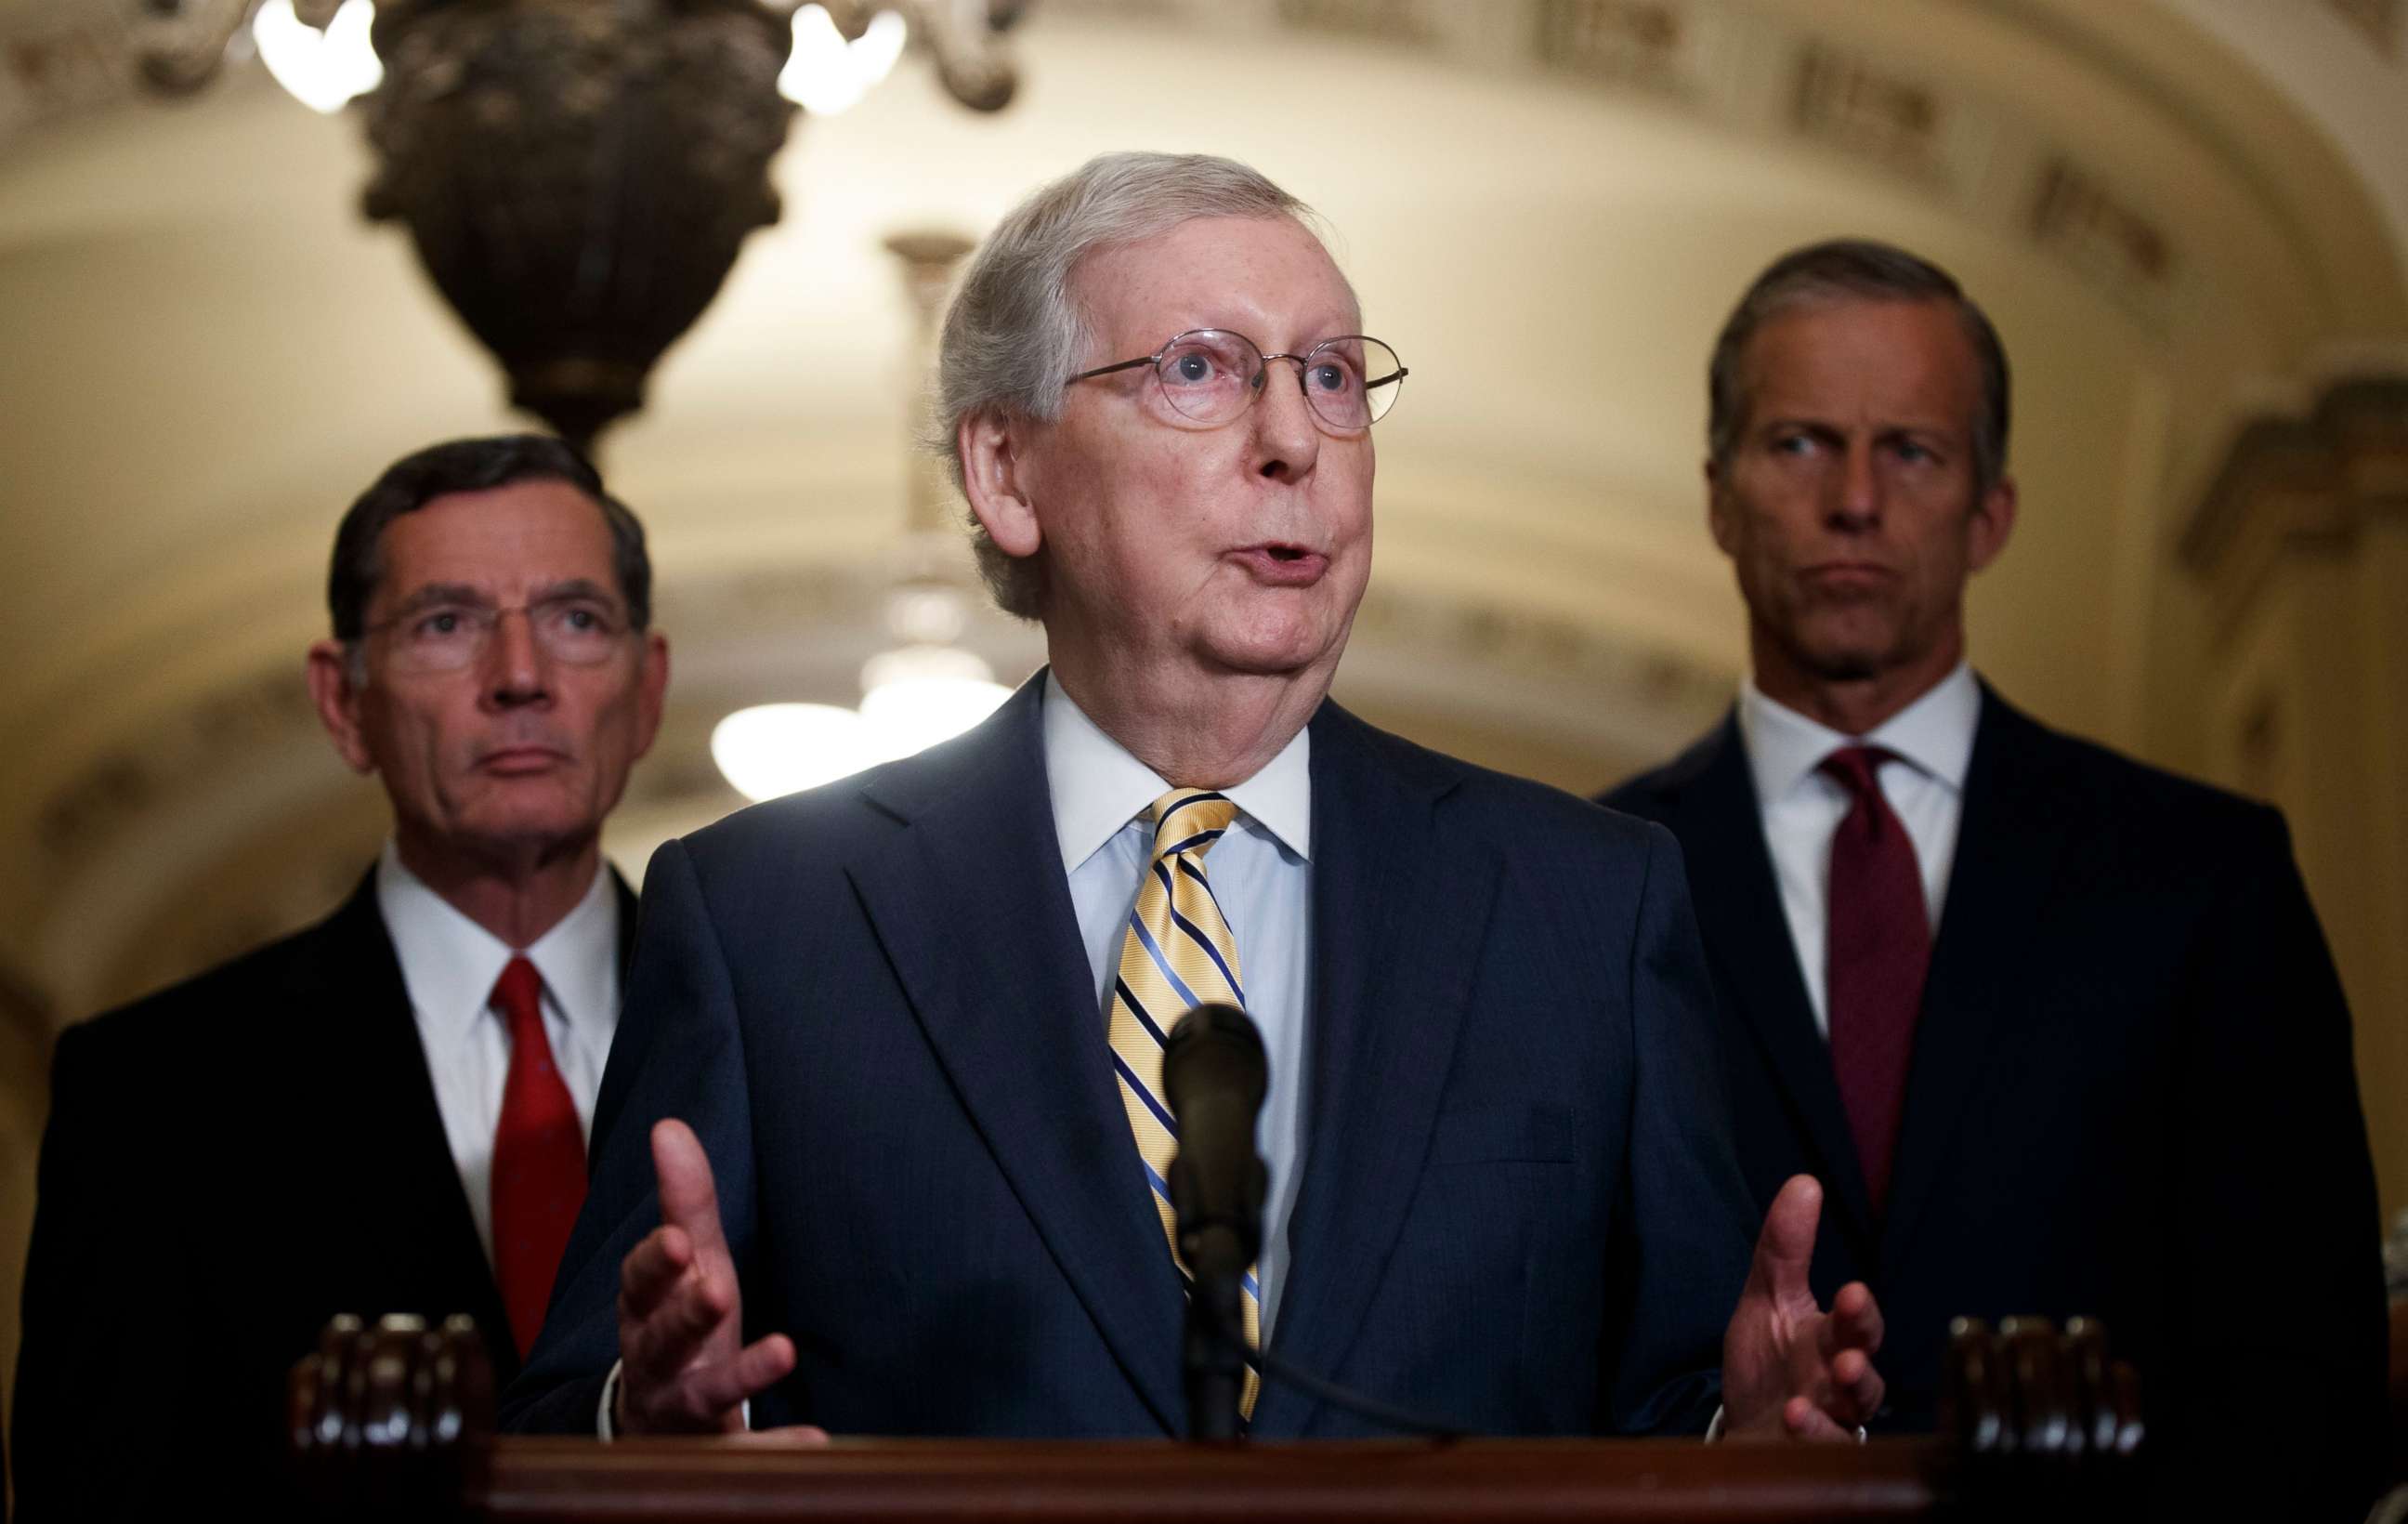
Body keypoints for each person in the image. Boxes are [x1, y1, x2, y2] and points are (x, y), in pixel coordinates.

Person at [503, 153, 1883, 1446]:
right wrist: (652, 1425)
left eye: (1334, 377)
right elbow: (568, 1425)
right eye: (1201, 370)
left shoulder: (1588, 904)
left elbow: (1676, 1405)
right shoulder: (766, 920)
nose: (1295, 437)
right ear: (1007, 472)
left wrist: (1741, 1441)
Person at [1603, 239, 2387, 1524]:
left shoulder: (2204, 875)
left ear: (1992, 512)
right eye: (1799, 444)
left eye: (1910, 451)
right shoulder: (1588, 881)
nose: (1856, 500)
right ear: (1720, 499)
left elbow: (2313, 1376)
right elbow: (1537, 1346)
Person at [10, 434, 670, 1524]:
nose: (520, 674)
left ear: (647, 684)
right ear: (342, 701)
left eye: (573, 617)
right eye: (446, 624)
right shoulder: (150, 1095)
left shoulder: (792, 1040)